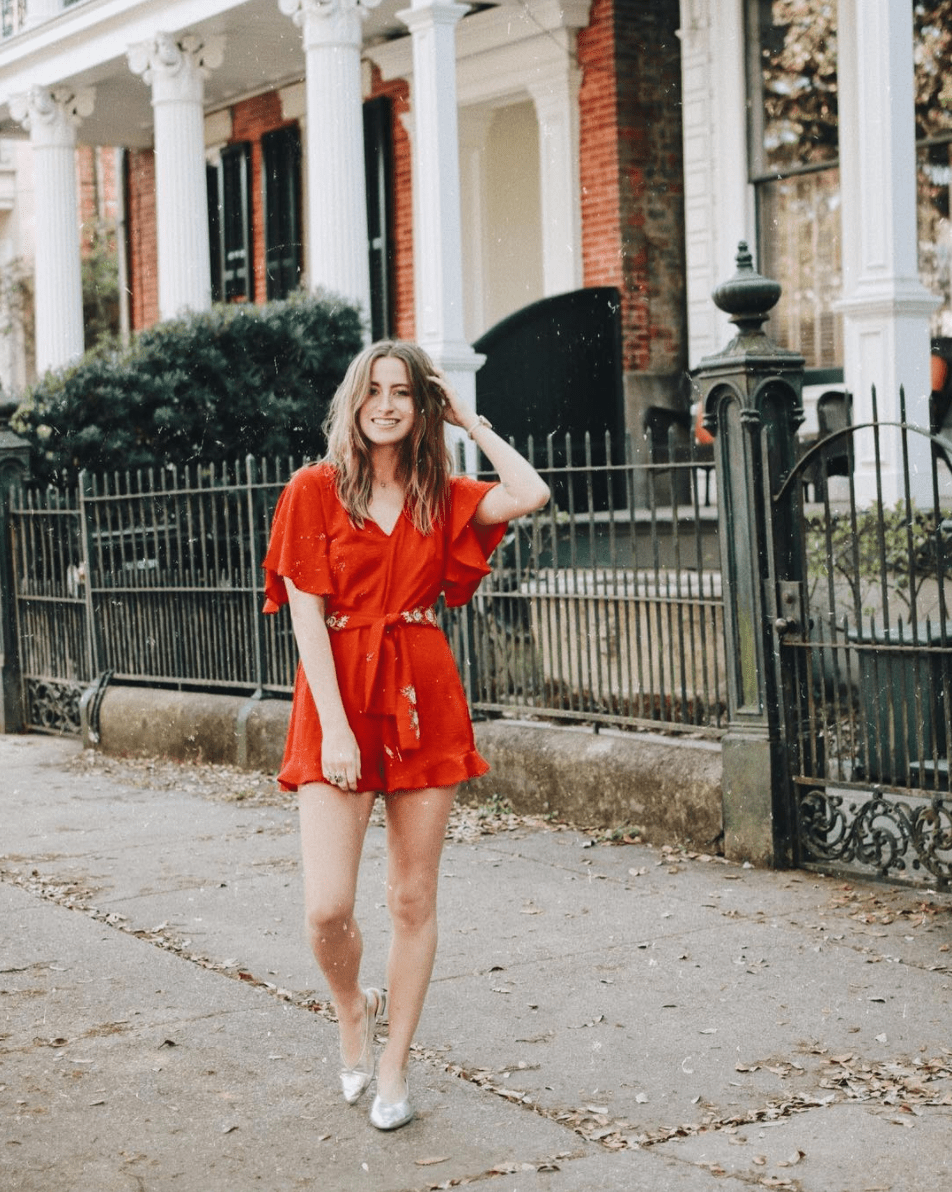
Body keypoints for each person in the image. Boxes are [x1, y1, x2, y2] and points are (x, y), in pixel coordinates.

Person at [261, 340, 550, 1131]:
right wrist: (339, 730)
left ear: (422, 408)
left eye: (404, 394)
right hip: (338, 696)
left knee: (412, 896)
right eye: (375, 391)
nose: (387, 405)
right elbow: (307, 618)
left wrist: (471, 420)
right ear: (354, 402)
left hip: (423, 690)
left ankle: (395, 1067)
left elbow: (528, 492)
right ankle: (354, 1008)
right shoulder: (313, 491)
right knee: (327, 909)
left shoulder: (440, 492)